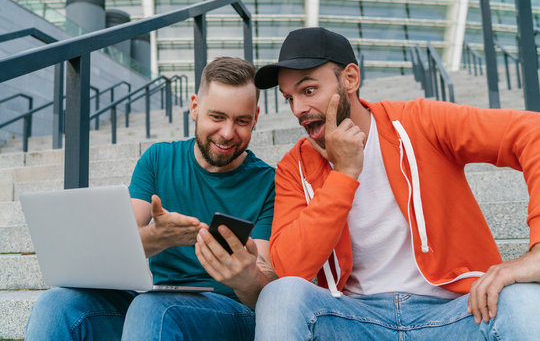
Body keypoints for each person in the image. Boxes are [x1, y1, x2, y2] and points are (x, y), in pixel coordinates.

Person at [252, 27, 540, 340]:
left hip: (458, 313)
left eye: (308, 91)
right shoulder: (294, 165)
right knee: (279, 296)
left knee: (522, 298)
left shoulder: (420, 122)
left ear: (350, 78)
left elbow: (533, 132)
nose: (298, 110)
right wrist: (344, 173)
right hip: (357, 319)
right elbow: (290, 269)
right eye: (289, 98)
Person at [25, 56, 277, 340]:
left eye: (242, 121)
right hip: (155, 306)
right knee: (56, 305)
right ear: (194, 107)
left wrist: (246, 277)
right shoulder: (158, 159)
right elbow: (114, 248)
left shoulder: (269, 182)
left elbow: (264, 290)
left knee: (154, 308)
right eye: (216, 117)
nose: (228, 133)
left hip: (230, 313)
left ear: (255, 118)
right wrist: (159, 237)